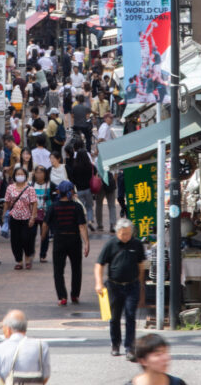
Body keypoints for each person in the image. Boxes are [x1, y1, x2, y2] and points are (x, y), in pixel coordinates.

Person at [95, 219, 146, 359]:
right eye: (123, 234)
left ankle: (130, 347)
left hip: (132, 285)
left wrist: (141, 285)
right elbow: (99, 264)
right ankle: (115, 344)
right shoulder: (110, 244)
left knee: (131, 316)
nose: (126, 236)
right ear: (118, 232)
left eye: (129, 233)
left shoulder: (136, 244)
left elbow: (141, 265)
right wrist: (98, 283)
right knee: (114, 317)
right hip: (114, 286)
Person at [41, 180, 89, 306]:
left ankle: (62, 296)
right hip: (74, 240)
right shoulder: (77, 207)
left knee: (58, 270)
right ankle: (75, 295)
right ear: (71, 191)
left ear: (60, 192)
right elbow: (82, 227)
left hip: (59, 240)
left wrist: (43, 237)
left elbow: (45, 224)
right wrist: (87, 243)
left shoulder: (53, 206)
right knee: (76, 269)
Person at [4, 167, 38, 271]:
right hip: (14, 217)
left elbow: (34, 203)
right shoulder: (10, 188)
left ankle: (28, 258)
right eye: (17, 174)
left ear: (26, 176)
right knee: (15, 240)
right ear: (14, 176)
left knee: (26, 239)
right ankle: (19, 261)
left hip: (26, 217)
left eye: (21, 174)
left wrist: (33, 217)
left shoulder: (30, 189)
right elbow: (7, 202)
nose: (19, 176)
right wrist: (4, 216)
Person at [71, 141, 95, 229]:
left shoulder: (75, 166)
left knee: (80, 208)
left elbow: (72, 179)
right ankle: (89, 220)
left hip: (79, 190)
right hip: (88, 189)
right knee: (89, 206)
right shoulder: (89, 166)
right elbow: (94, 172)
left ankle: (81, 223)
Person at [31, 165, 52, 261]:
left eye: (41, 172)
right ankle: (31, 252)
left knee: (45, 235)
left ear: (45, 174)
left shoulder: (50, 185)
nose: (38, 175)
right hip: (33, 213)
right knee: (31, 234)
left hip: (46, 213)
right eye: (37, 172)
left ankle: (43, 255)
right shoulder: (31, 185)